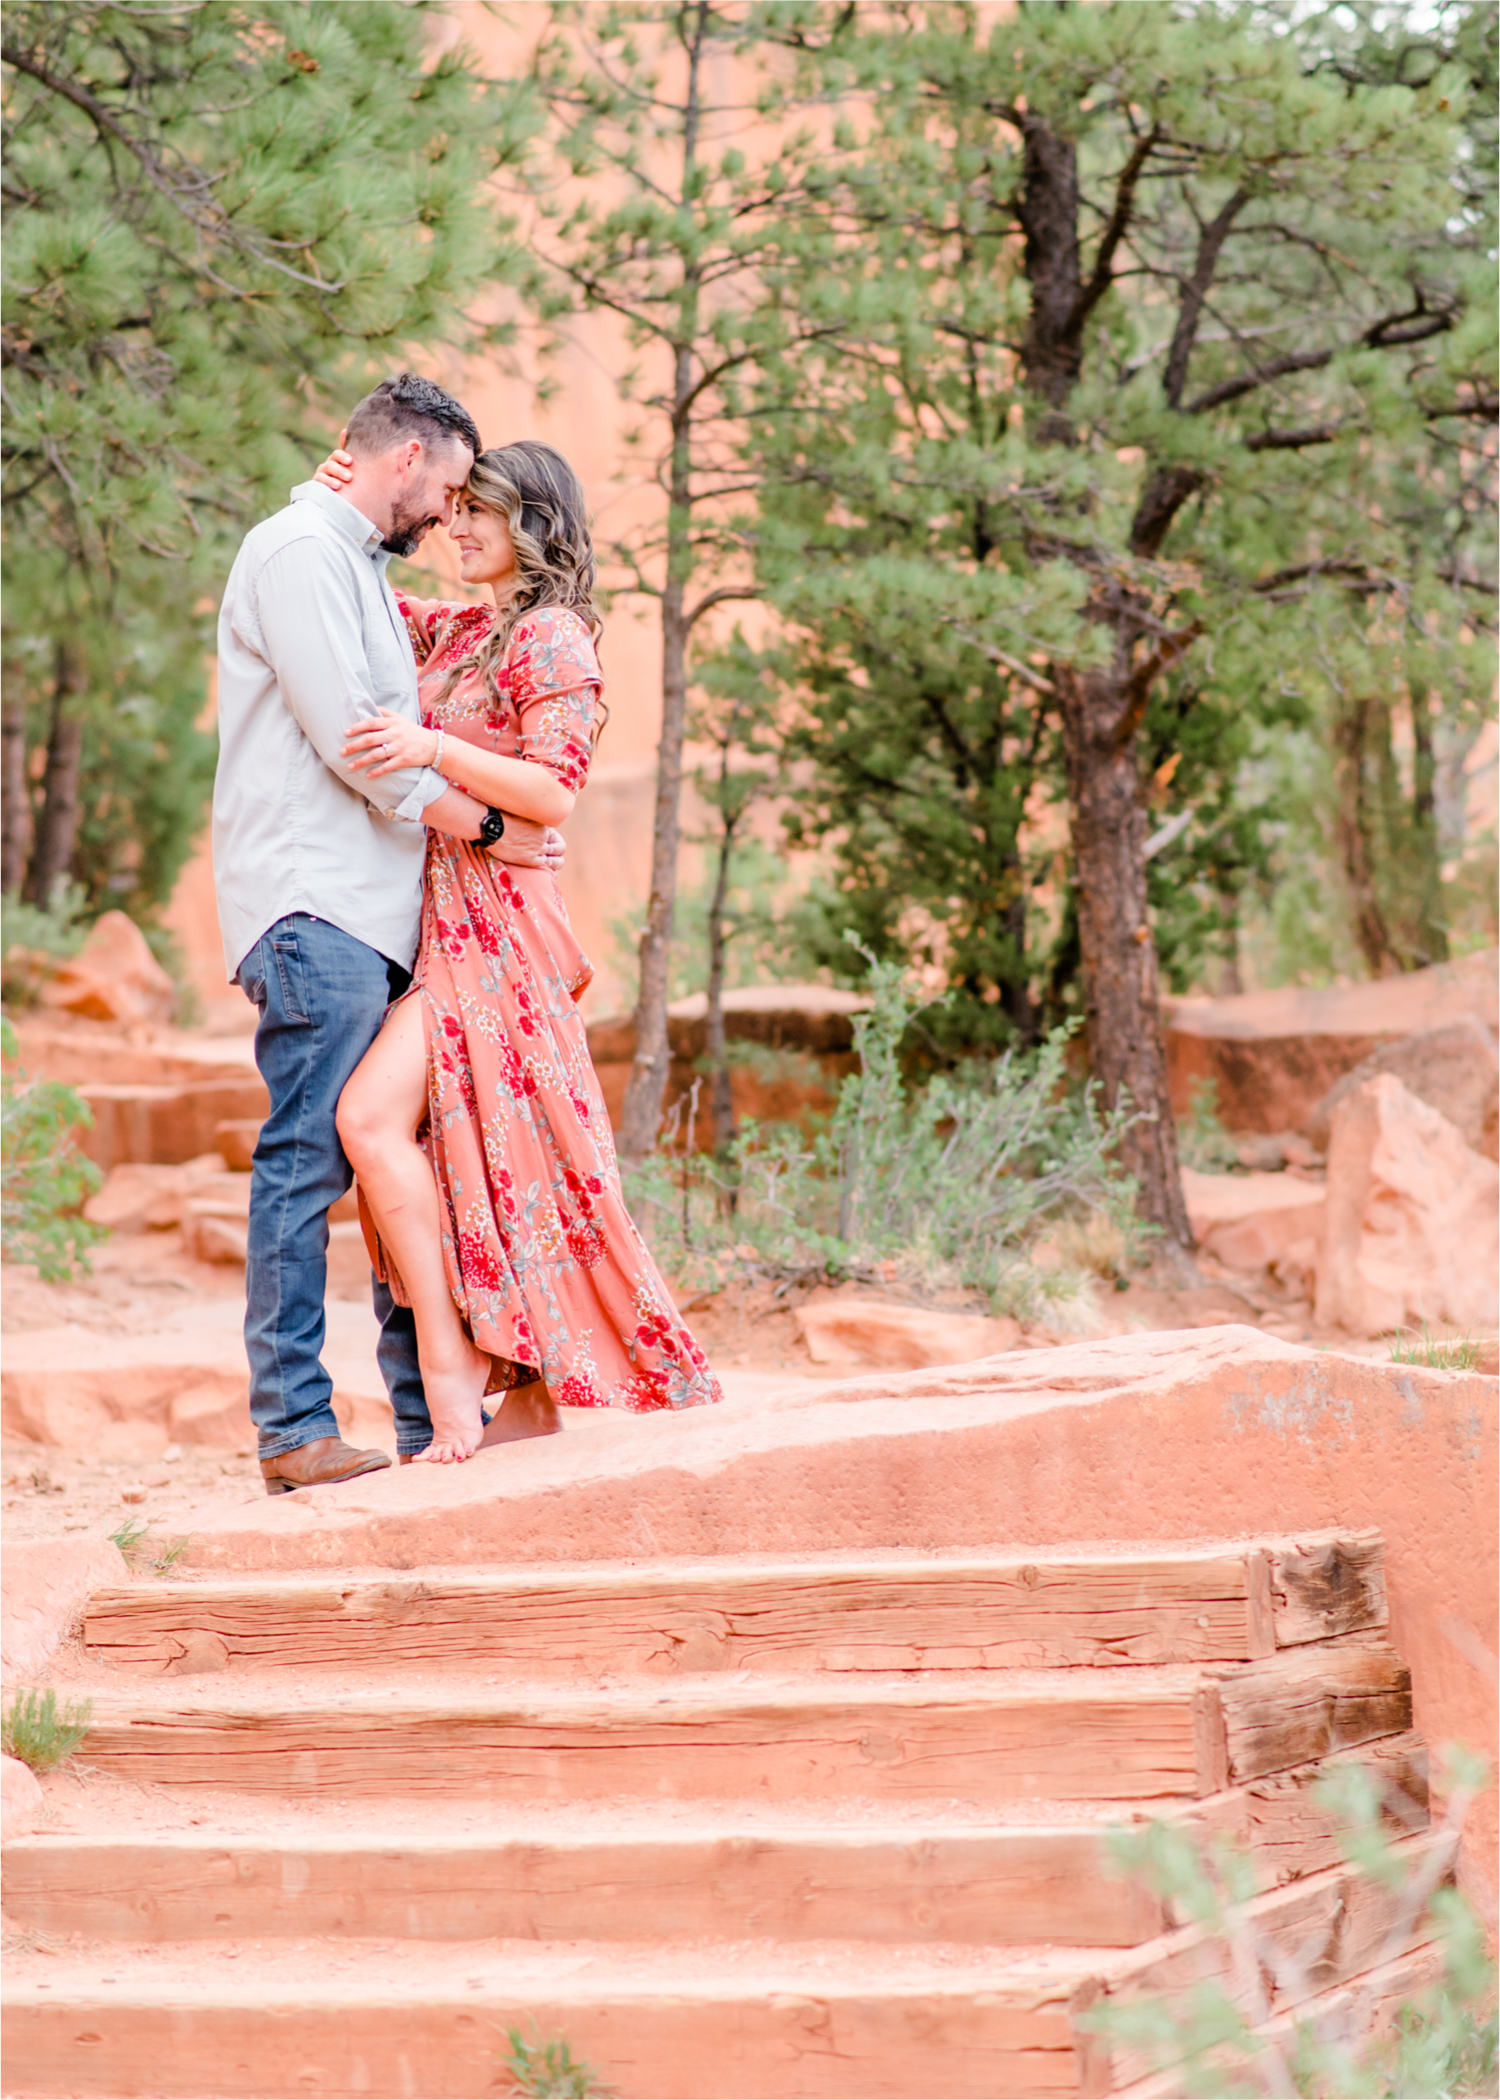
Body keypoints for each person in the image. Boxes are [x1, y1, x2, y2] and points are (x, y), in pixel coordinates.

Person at [317, 436, 723, 1462]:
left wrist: (435, 750)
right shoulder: (469, 630)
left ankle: (460, 1376)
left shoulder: (551, 639)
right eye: (453, 512)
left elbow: (553, 794)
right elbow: (365, 613)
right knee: (487, 1148)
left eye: (479, 514)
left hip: (502, 928)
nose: (457, 530)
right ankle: (517, 1389)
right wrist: (347, 513)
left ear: (534, 523)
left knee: (393, 1121)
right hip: (447, 917)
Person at [214, 374, 564, 1494]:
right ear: (407, 461)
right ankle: (294, 1427)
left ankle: (424, 1416)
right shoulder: (304, 554)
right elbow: (361, 751)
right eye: (449, 488)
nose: (449, 516)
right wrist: (492, 823)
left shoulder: (349, 558)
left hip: (371, 916)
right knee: (309, 1158)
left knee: (387, 1161)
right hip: (316, 908)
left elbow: (448, 671)